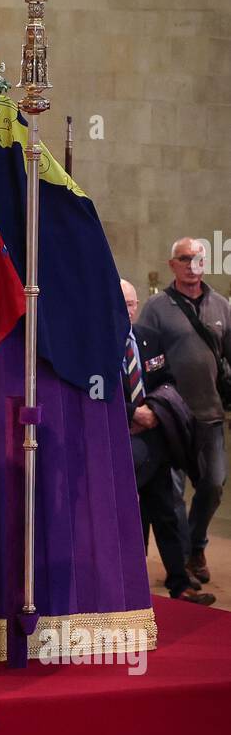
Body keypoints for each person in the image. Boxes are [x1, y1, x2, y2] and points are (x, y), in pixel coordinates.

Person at [137, 239, 231, 584]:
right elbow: (142, 359)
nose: (193, 265)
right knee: (172, 496)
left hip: (210, 415)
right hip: (171, 419)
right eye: (185, 259)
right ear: (172, 264)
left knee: (214, 485)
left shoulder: (221, 306)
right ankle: (183, 566)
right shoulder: (156, 308)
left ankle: (196, 544)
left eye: (199, 259)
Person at [120, 280, 214, 606]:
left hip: (155, 442)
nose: (129, 309)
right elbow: (95, 392)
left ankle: (180, 584)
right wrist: (132, 412)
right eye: (122, 303)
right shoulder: (97, 344)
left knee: (167, 516)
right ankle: (128, 588)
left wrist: (155, 411)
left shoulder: (149, 337)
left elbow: (168, 382)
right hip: (119, 445)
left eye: (132, 303)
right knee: (128, 519)